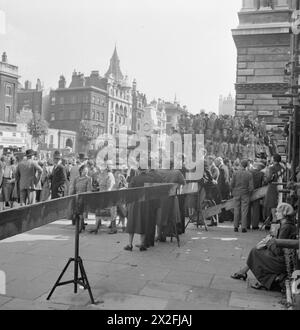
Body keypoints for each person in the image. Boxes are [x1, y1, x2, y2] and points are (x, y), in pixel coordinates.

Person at [231, 203, 297, 291]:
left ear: (284, 214)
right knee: (256, 250)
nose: (276, 213)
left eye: (278, 212)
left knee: (256, 252)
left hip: (281, 261)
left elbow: (278, 250)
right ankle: (245, 272)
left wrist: (269, 243)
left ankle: (256, 277)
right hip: (283, 257)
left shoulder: (286, 227)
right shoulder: (286, 225)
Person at [231, 159, 254, 233]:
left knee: (236, 210)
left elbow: (231, 184)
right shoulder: (249, 174)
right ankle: (244, 227)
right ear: (246, 165)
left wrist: (233, 191)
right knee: (244, 211)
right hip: (245, 194)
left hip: (236, 193)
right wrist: (249, 193)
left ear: (240, 164)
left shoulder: (235, 173)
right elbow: (251, 187)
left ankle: (235, 227)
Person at [69, 164, 92, 232]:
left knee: (81, 213)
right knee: (77, 213)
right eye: (85, 170)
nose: (86, 172)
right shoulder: (76, 178)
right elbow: (73, 188)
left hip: (84, 198)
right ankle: (81, 225)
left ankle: (80, 226)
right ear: (81, 170)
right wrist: (71, 195)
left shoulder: (88, 179)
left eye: (87, 171)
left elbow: (89, 189)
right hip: (76, 197)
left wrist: (84, 195)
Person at [263, 154, 285, 223]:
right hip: (281, 186)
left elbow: (269, 178)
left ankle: (274, 220)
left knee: (272, 204)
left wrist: (265, 180)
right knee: (278, 202)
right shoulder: (282, 168)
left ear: (274, 159)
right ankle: (277, 219)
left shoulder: (271, 168)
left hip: (273, 186)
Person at [248, 162, 265, 230]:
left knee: (247, 209)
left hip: (248, 192)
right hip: (257, 192)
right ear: (259, 167)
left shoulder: (249, 172)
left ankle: (247, 224)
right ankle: (255, 225)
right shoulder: (261, 174)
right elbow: (263, 183)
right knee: (256, 210)